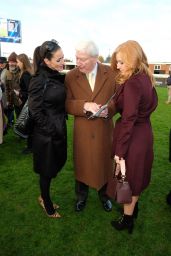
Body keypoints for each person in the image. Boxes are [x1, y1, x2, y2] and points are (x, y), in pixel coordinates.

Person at [109, 40, 158, 233]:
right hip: (145, 133)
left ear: (133, 59)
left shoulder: (133, 83)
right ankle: (133, 209)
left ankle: (127, 220)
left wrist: (120, 152)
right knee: (138, 175)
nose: (118, 66)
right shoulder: (146, 77)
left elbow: (128, 119)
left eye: (121, 62)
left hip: (133, 137)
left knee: (129, 177)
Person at [65, 40, 116, 212]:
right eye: (76, 58)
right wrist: (83, 106)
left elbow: (118, 101)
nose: (77, 62)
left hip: (104, 131)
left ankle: (105, 196)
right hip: (83, 133)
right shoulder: (70, 76)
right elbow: (66, 103)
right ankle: (81, 197)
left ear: (95, 58)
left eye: (82, 59)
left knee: (104, 164)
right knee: (82, 165)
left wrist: (109, 110)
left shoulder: (111, 73)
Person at [28, 40, 67, 218]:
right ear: (47, 61)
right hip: (46, 134)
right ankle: (46, 202)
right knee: (46, 170)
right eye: (58, 60)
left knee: (53, 167)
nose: (63, 63)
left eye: (63, 58)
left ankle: (44, 197)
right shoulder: (38, 80)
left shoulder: (55, 75)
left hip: (58, 129)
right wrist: (51, 129)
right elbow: (34, 111)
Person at [16, 53, 33, 154]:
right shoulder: (25, 72)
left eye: (18, 62)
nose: (17, 64)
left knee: (28, 124)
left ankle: (30, 147)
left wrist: (19, 94)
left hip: (27, 103)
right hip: (27, 102)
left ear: (22, 62)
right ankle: (30, 145)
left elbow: (28, 91)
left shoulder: (26, 74)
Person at [4, 52, 20, 125]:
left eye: (13, 62)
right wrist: (7, 100)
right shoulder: (7, 72)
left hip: (19, 99)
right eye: (10, 62)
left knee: (19, 115)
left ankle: (20, 129)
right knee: (9, 113)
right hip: (10, 98)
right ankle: (9, 123)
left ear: (17, 62)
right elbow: (7, 87)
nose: (11, 63)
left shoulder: (21, 72)